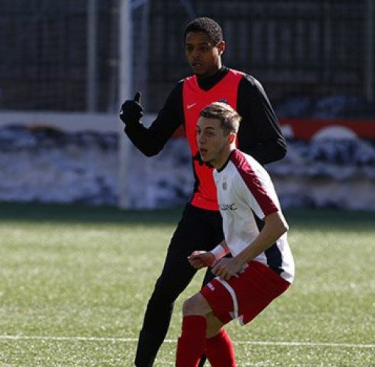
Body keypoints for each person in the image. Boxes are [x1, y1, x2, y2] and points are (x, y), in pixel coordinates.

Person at [119, 17, 287, 367]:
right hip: (199, 211)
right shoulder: (184, 90)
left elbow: (276, 146)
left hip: (235, 217)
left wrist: (233, 163)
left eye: (202, 48)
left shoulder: (245, 86)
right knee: (165, 290)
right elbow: (152, 145)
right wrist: (132, 124)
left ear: (220, 48)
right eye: (189, 48)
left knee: (204, 311)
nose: (194, 55)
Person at [175, 102, 294, 367]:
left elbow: (277, 225)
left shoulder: (244, 173)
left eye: (210, 133)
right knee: (207, 327)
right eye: (198, 132)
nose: (200, 140)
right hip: (257, 264)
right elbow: (242, 229)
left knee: (193, 307)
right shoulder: (221, 170)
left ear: (230, 138)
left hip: (269, 268)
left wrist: (237, 260)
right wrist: (215, 254)